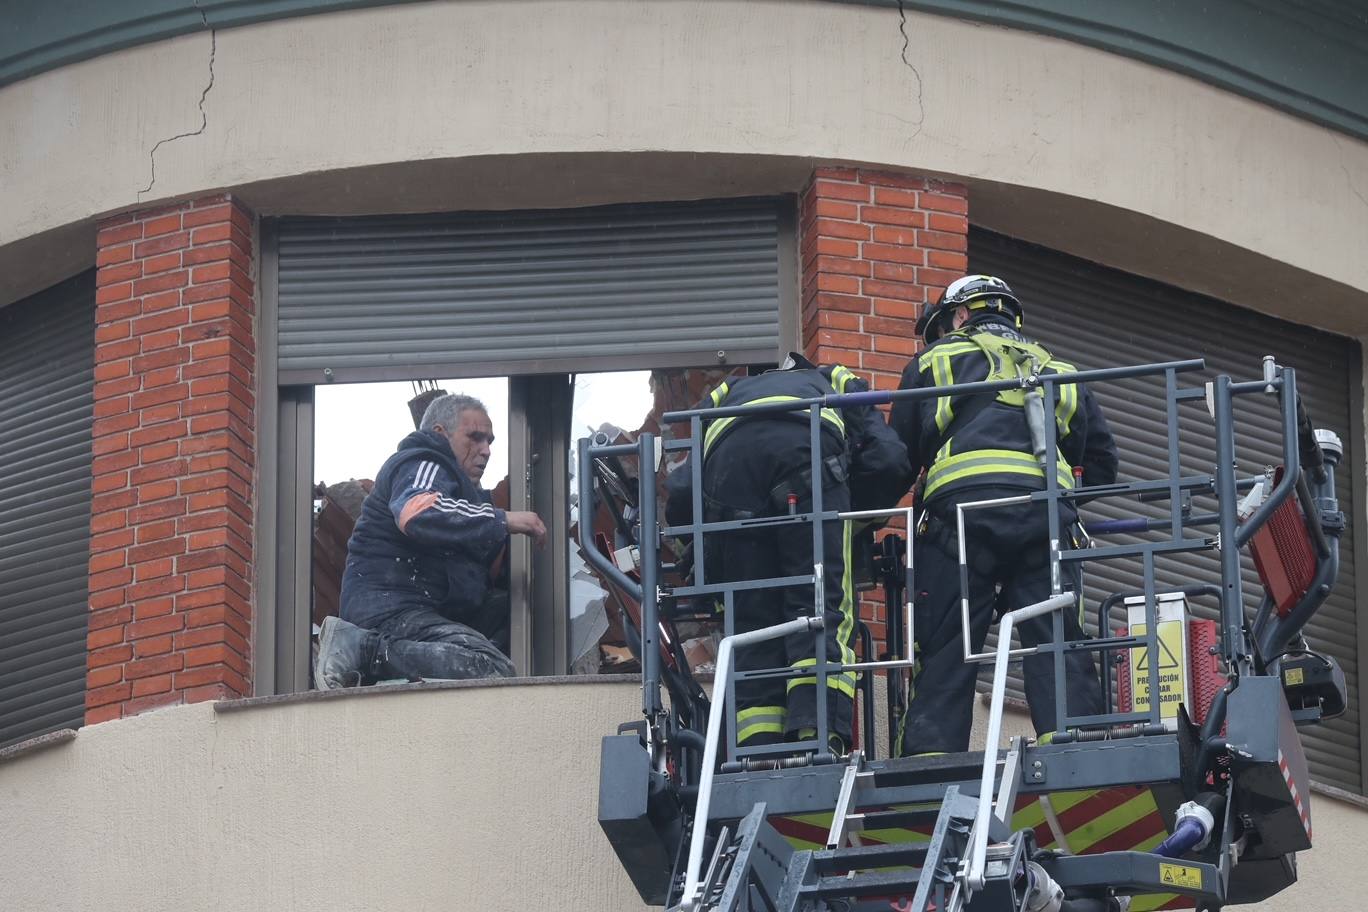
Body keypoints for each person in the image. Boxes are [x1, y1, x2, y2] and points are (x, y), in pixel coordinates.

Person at [891, 275, 1118, 755]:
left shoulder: (935, 360)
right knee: (1053, 631)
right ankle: (1071, 740)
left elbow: (899, 456)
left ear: (959, 315)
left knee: (948, 638)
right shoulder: (1058, 369)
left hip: (959, 521)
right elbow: (1101, 464)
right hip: (1043, 519)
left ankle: (932, 756)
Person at [666, 355, 912, 755]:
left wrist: (697, 546)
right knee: (820, 611)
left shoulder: (725, 393)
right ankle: (817, 740)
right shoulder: (832, 377)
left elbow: (681, 490)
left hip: (731, 481)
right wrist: (848, 516)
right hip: (808, 456)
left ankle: (757, 753)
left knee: (751, 627)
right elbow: (889, 458)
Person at [314, 394, 547, 688]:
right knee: (491, 667)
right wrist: (504, 520)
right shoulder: (424, 460)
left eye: (489, 441)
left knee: (508, 609)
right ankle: (361, 649)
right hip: (389, 613)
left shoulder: (464, 495)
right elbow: (418, 511)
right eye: (474, 437)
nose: (486, 450)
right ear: (439, 434)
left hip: (421, 616)